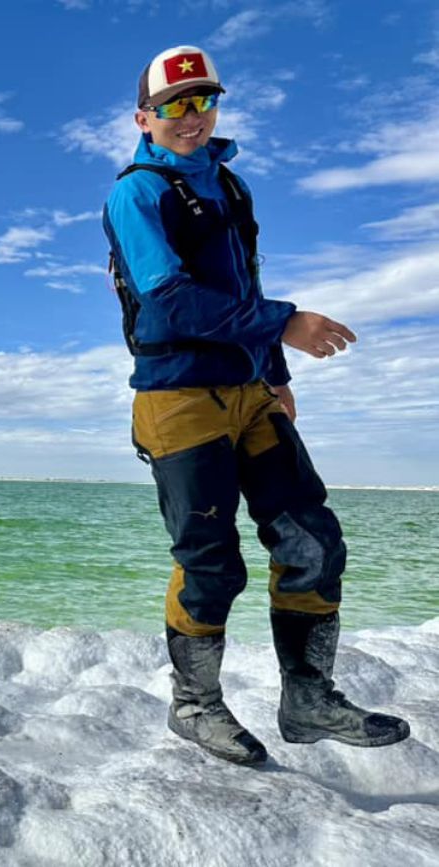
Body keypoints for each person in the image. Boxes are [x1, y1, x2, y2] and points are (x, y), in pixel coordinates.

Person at [102, 45, 410, 765]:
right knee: (211, 562)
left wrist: (272, 371)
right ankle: (195, 704)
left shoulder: (231, 188)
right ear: (144, 117)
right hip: (177, 398)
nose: (192, 116)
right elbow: (171, 299)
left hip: (249, 392)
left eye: (204, 101)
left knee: (313, 539)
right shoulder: (137, 194)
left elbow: (242, 286)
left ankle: (307, 699)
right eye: (175, 105)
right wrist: (286, 323)